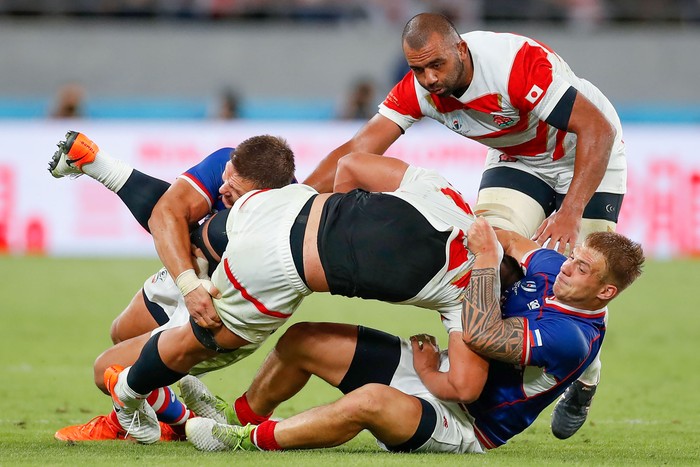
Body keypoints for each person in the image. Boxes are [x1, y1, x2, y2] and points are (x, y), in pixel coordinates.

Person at [302, 12, 627, 439]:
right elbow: (359, 148)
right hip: (520, 160)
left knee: (581, 277)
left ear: (460, 50)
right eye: (417, 69)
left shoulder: (512, 65)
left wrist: (570, 209)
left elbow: (596, 130)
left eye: (436, 65)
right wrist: (295, 201)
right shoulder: (419, 87)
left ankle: (585, 379)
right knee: (483, 257)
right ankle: (472, 377)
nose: (428, 78)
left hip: (589, 154)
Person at [95, 151, 492, 444]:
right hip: (274, 267)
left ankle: (103, 166)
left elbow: (351, 165)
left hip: (282, 203)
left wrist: (341, 220)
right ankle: (130, 396)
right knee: (205, 338)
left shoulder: (445, 193)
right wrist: (425, 368)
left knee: (198, 234)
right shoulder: (470, 297)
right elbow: (464, 388)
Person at [182, 219, 644, 453]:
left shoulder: (572, 338)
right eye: (573, 257)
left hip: (465, 422)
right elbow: (508, 238)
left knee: (370, 401)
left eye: (582, 268)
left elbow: (482, 335)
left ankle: (247, 439)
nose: (567, 267)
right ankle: (237, 412)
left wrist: (485, 259)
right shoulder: (550, 268)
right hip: (441, 369)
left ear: (604, 291)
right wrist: (465, 227)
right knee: (303, 338)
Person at [50, 131, 296, 441]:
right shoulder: (229, 160)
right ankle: (184, 423)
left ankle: (138, 423)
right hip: (195, 274)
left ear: (264, 196)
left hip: (230, 304)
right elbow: (167, 212)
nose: (221, 189)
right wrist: (190, 281)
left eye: (233, 190)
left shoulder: (282, 221)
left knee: (108, 370)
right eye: (225, 178)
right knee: (122, 334)